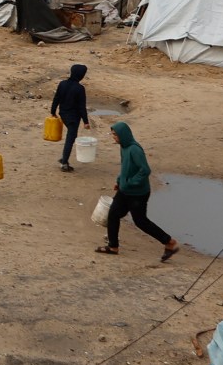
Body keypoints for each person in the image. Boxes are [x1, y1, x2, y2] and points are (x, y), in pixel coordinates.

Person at [98, 122, 181, 262]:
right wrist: (119, 181)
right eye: (113, 134)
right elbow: (125, 167)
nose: (113, 137)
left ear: (123, 135)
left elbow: (145, 170)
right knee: (113, 214)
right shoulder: (123, 147)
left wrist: (130, 182)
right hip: (124, 190)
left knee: (140, 221)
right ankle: (113, 246)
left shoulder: (135, 149)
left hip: (138, 193)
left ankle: (169, 242)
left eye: (115, 135)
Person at [51, 63, 91, 171]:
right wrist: (86, 122)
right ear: (81, 75)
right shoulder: (80, 88)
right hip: (73, 118)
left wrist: (53, 111)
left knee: (71, 136)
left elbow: (56, 98)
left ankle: (64, 158)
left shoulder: (62, 84)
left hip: (63, 114)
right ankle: (64, 163)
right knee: (70, 138)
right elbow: (81, 107)